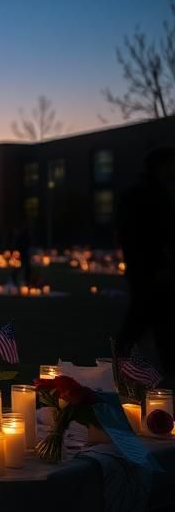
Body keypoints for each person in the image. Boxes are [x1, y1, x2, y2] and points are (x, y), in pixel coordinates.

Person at [116, 146, 175, 379]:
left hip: (149, 270)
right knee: (148, 319)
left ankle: (122, 359)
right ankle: (120, 360)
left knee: (152, 321)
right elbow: (151, 234)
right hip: (152, 271)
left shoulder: (152, 192)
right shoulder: (148, 195)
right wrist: (159, 265)